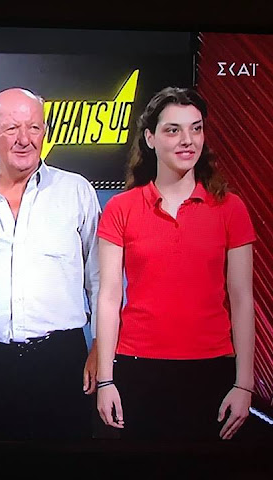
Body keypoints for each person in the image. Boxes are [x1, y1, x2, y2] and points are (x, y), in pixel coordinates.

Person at [96, 87, 255, 441]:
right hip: (138, 369)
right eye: (173, 130)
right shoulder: (121, 208)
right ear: (150, 139)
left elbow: (243, 299)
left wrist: (244, 384)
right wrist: (106, 380)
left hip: (213, 369)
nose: (188, 140)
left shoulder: (231, 209)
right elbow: (108, 297)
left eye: (196, 129)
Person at [0, 88, 100, 440]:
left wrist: (100, 350)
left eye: (34, 127)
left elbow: (101, 279)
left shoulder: (76, 192)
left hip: (62, 361)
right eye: (11, 128)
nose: (25, 139)